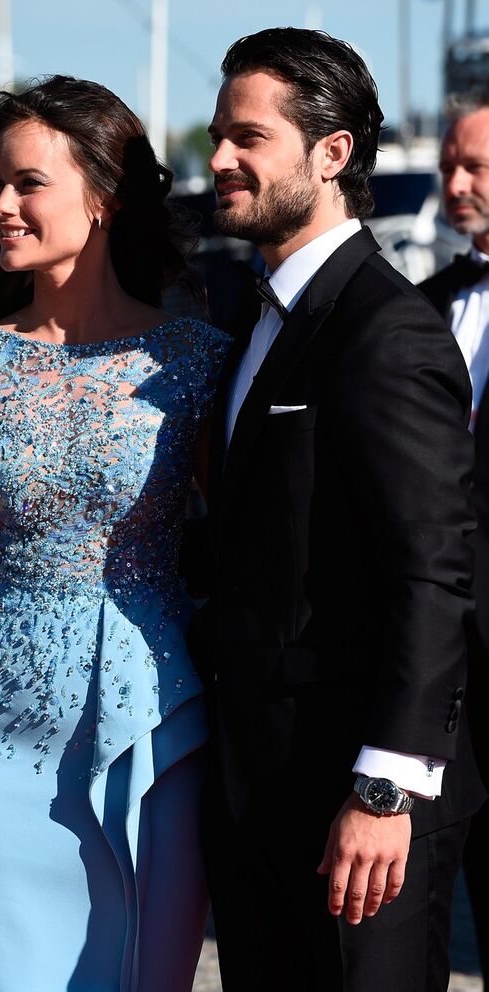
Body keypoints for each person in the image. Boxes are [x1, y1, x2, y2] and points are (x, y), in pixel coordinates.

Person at [0, 75, 231, 992]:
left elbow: (248, 556)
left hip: (158, 730)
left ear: (104, 195)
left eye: (28, 183)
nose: (1, 205)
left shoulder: (194, 361)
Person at [194, 27, 486, 992]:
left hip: (358, 811)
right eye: (218, 134)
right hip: (255, 789)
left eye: (248, 137)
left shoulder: (387, 329)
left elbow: (431, 573)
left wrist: (385, 785)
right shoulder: (254, 316)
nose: (220, 158)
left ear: (332, 153)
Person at [419, 89, 489, 987]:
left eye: (475, 166)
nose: (456, 183)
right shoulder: (421, 306)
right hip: (437, 673)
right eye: (448, 166)